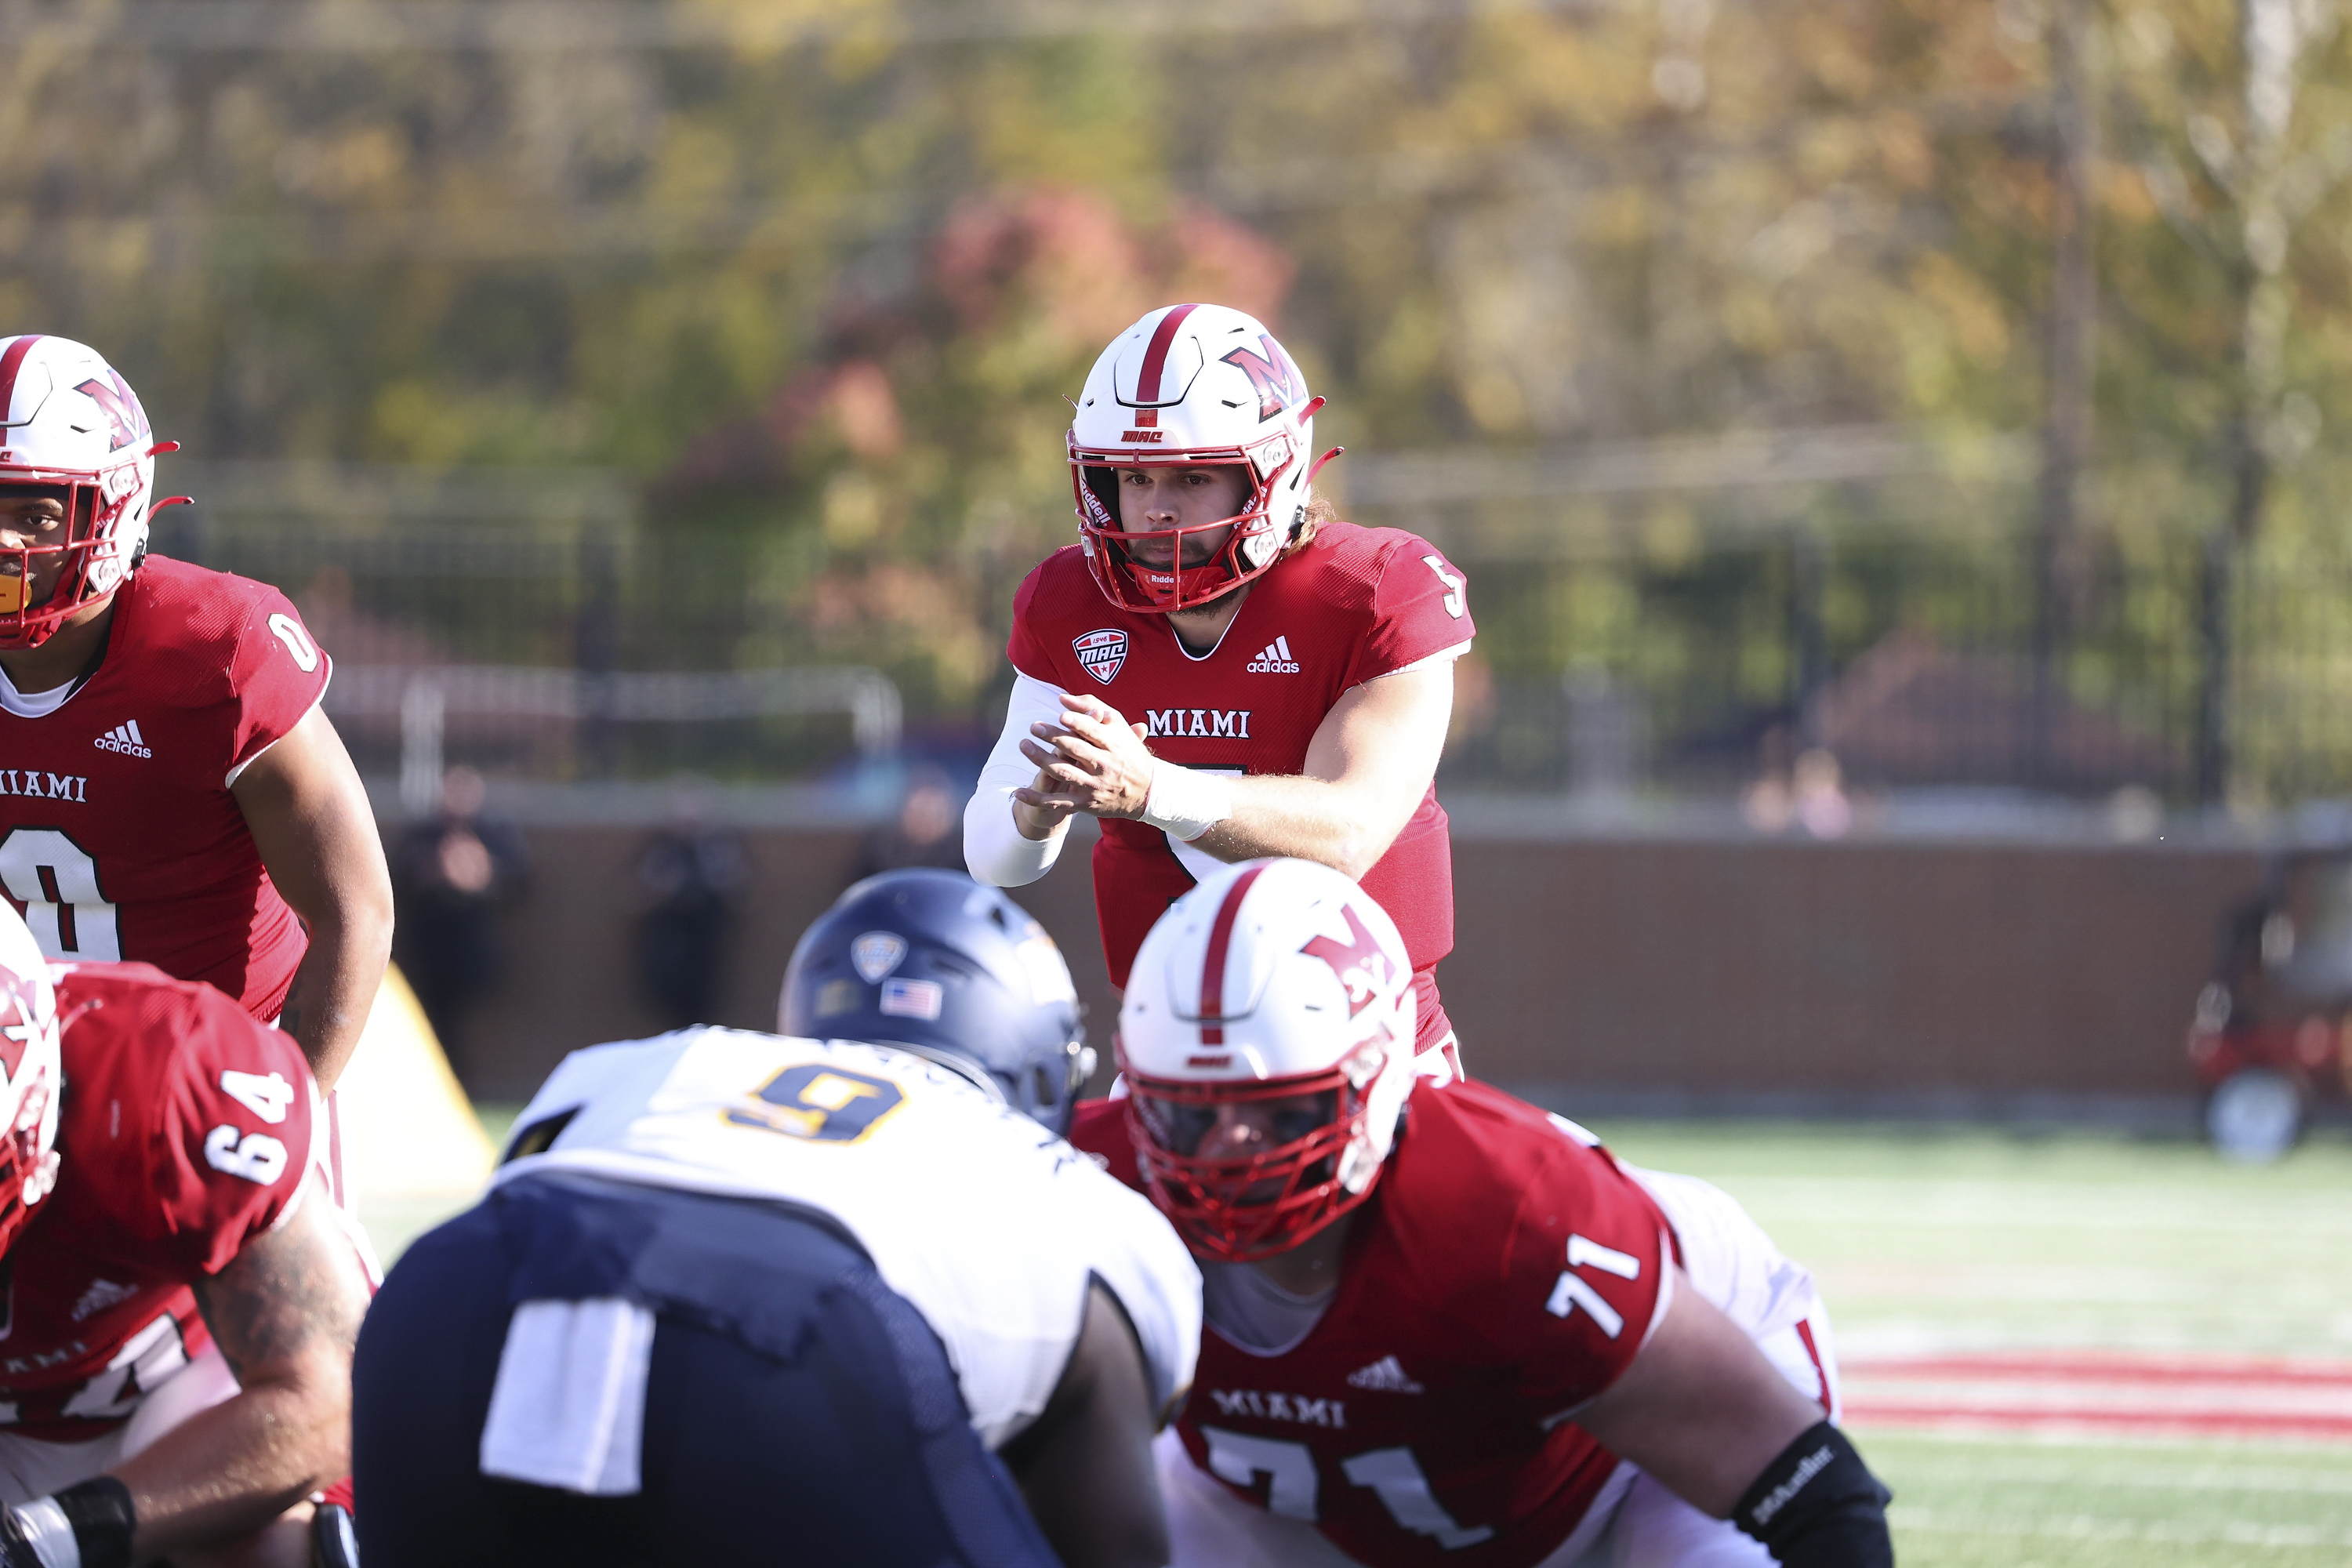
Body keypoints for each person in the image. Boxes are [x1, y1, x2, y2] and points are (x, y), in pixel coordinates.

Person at [352, 869, 1202, 1568]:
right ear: (1045, 1059)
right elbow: (1115, 1542)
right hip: (796, 1333)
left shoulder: (649, 1064)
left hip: (454, 1294)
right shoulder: (1065, 1189)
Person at [1073, 857, 1894, 1568]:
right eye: (1190, 1110)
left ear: (1383, 1079)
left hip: (1616, 1472)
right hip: (1317, 1502)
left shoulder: (1510, 1217)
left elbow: (1819, 1494)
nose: (1229, 1152)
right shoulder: (1087, 1184)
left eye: (1282, 1111)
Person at [964, 303, 1474, 1070]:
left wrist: (1151, 788)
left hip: (1376, 1060)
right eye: (1134, 476)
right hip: (1168, 1068)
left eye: (1194, 476)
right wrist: (1035, 810)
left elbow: (1346, 831)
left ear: (1273, 472)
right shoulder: (1068, 606)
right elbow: (996, 856)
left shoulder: (1374, 592)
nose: (1157, 506)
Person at [0, 335, 393, 1088]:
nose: (3, 541)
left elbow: (356, 911)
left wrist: (288, 1117)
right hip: (21, 1083)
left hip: (214, 1087)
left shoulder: (216, 651)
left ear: (114, 508)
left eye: (38, 512)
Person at [0, 903, 372, 1568]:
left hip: (170, 1394)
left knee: (274, 1549)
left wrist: (52, 1537)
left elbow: (328, 1399)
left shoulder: (168, 1084)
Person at [392, 765, 528, 1059]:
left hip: (472, 939)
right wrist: (432, 871)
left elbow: (518, 881)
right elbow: (396, 881)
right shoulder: (423, 835)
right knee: (435, 1013)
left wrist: (481, 873)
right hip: (430, 940)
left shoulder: (492, 833)